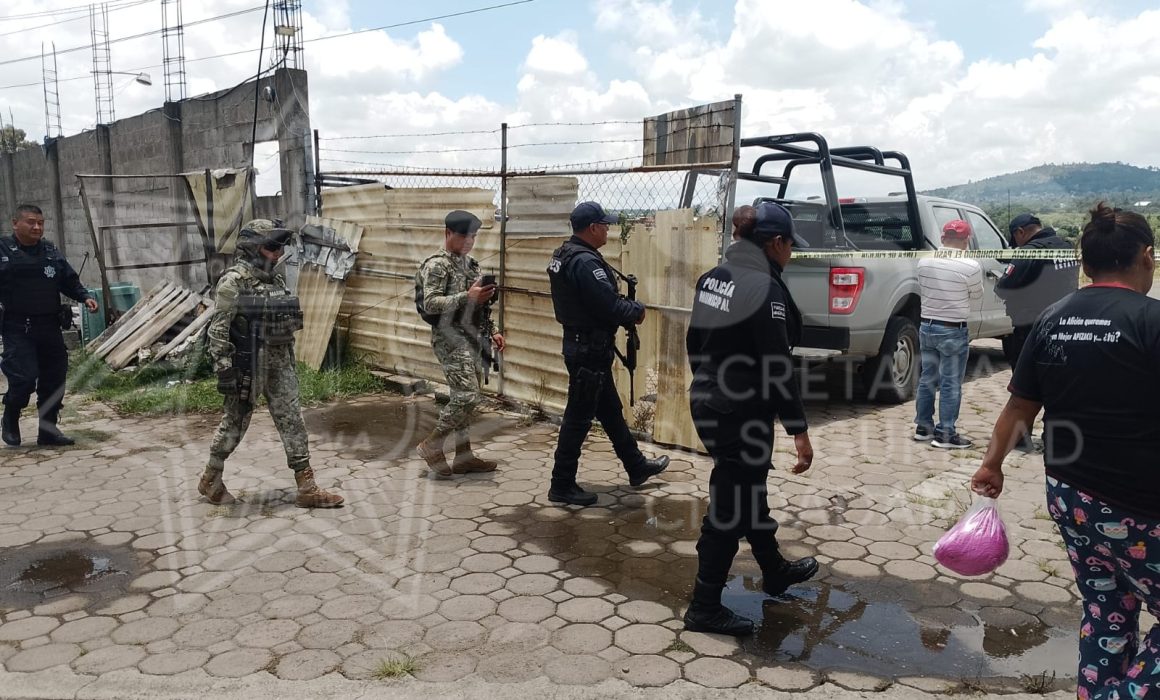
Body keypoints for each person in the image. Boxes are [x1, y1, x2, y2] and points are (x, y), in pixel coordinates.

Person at [972, 203, 1159, 700]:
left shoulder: (1054, 318)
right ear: (1146, 256)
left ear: (1086, 262)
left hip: (1071, 497)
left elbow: (1020, 406)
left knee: (1106, 610)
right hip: (1141, 507)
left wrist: (991, 465)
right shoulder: (1152, 321)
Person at [683, 201, 818, 636]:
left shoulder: (713, 277)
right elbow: (777, 363)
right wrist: (798, 430)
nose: (791, 253)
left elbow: (694, 341)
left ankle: (774, 569)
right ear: (775, 243)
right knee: (729, 508)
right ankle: (704, 607)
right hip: (739, 411)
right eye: (790, 245)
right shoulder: (764, 287)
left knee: (747, 490)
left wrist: (710, 383)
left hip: (712, 399)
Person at [200, 219, 344, 508]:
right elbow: (218, 330)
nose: (277, 253)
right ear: (252, 248)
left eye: (279, 247)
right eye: (271, 247)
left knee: (292, 421)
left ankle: (307, 486)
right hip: (247, 367)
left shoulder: (275, 281)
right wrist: (224, 369)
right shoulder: (233, 282)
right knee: (235, 424)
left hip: (279, 364)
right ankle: (210, 478)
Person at [546, 201, 669, 506]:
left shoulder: (565, 253)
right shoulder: (585, 263)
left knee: (610, 411)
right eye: (605, 225)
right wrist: (636, 311)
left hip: (586, 347)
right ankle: (561, 484)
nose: (608, 230)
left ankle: (636, 466)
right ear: (592, 228)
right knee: (577, 419)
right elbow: (609, 306)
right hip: (588, 350)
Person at [414, 210, 505, 479]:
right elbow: (430, 303)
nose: (469, 241)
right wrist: (467, 296)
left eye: (473, 236)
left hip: (472, 336)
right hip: (449, 339)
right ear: (448, 233)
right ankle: (432, 444)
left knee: (466, 399)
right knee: (467, 395)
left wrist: (493, 331)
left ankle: (463, 457)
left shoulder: (472, 265)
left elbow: (480, 306)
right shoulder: (437, 265)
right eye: (464, 236)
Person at [0, 204, 99, 447]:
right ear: (15, 223)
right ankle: (10, 417)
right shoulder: (3, 250)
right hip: (17, 327)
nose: (37, 227)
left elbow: (68, 279)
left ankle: (48, 431)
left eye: (40, 223)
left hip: (49, 326)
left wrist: (85, 297)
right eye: (31, 222)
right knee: (24, 378)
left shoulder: (50, 251)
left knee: (54, 379)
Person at [996, 213, 1078, 451]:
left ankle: (1021, 438)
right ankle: (1054, 438)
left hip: (1031, 328)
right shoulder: (1066, 247)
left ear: (1020, 232)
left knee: (1025, 386)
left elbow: (1004, 286)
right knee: (1058, 384)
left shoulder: (1029, 252)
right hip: (1065, 325)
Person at [913, 219, 983, 449]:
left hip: (926, 326)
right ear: (966, 240)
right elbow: (977, 294)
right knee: (950, 383)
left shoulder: (924, 261)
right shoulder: (970, 266)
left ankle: (923, 427)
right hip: (953, 329)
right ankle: (945, 433)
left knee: (927, 379)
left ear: (943, 238)